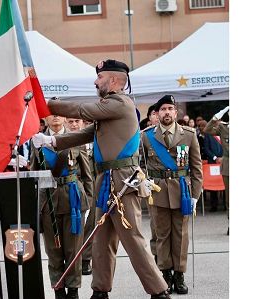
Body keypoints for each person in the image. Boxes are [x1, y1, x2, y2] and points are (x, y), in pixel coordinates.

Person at [32, 59, 170, 299]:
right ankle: (100, 290)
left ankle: (159, 291)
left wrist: (46, 105)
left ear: (114, 80)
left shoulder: (120, 103)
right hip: (106, 179)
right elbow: (88, 132)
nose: (96, 82)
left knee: (132, 238)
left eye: (100, 77)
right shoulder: (110, 108)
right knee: (102, 238)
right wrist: (52, 141)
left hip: (122, 180)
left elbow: (82, 111)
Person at [140, 95, 202, 294]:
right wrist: (144, 182)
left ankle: (179, 274)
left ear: (176, 112)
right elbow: (139, 164)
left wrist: (195, 196)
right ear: (156, 114)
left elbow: (196, 168)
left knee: (181, 235)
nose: (167, 112)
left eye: (170, 108)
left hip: (182, 192)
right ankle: (164, 274)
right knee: (162, 235)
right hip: (157, 192)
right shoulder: (146, 136)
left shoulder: (189, 135)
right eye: (163, 109)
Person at [31, 114, 93, 299]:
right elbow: (34, 173)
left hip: (73, 199)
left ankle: (73, 289)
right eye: (51, 114)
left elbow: (87, 174)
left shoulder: (76, 139)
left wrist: (86, 200)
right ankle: (58, 288)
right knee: (53, 249)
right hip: (48, 201)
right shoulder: (37, 141)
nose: (56, 117)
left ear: (65, 118)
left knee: (73, 248)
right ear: (46, 118)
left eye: (59, 113)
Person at [66, 117, 96, 276]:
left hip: (93, 187)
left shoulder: (93, 139)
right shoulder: (63, 141)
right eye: (70, 122)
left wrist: (91, 196)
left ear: (83, 124)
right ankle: (72, 260)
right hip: (73, 189)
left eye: (77, 121)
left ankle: (85, 260)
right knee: (73, 226)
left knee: (90, 226)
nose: (74, 124)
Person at [205, 106, 229, 235]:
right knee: (229, 198)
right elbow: (207, 130)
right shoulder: (224, 128)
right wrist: (217, 115)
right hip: (228, 166)